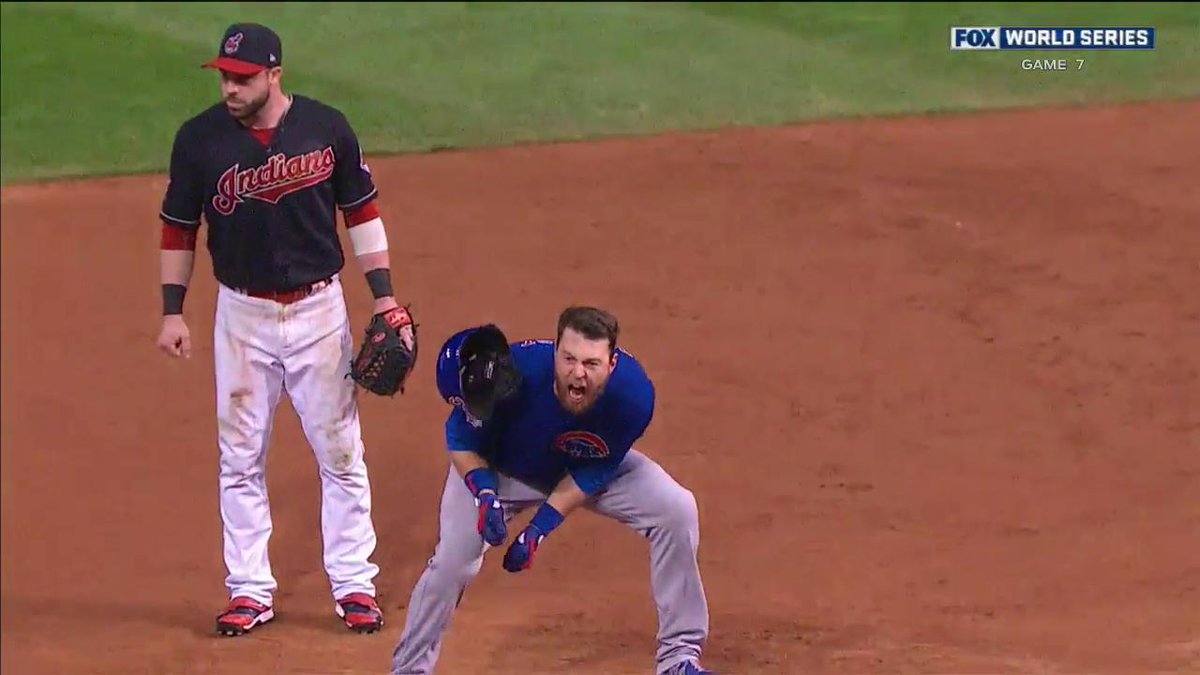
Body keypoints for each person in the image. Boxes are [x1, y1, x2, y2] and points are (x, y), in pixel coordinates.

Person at [154, 22, 416, 636]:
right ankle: (249, 590)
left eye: (242, 78)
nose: (230, 89)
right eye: (224, 76)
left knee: (342, 453)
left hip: (319, 313)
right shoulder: (198, 141)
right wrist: (172, 310)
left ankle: (355, 584)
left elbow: (362, 211)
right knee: (239, 459)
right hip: (241, 316)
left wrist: (384, 298)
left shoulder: (326, 128)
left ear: (275, 74)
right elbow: (177, 228)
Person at [390, 307, 715, 674]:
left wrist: (538, 530)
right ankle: (409, 669)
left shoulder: (634, 397)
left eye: (591, 363)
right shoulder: (510, 373)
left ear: (612, 365)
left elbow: (596, 470)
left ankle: (678, 658)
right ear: (555, 352)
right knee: (452, 561)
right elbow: (461, 440)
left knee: (676, 509)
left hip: (579, 467)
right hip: (500, 471)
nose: (578, 372)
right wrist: (484, 495)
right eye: (569, 359)